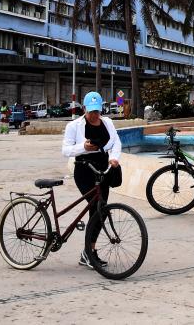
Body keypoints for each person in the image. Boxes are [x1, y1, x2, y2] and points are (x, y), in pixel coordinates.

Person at [61, 91, 122, 268]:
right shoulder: (74, 126)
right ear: (85, 109)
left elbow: (116, 142)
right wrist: (83, 147)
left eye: (97, 111)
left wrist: (114, 158)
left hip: (103, 169)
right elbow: (65, 150)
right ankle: (89, 252)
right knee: (97, 209)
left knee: (101, 210)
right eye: (91, 111)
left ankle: (88, 252)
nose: (95, 115)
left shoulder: (108, 123)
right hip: (84, 170)